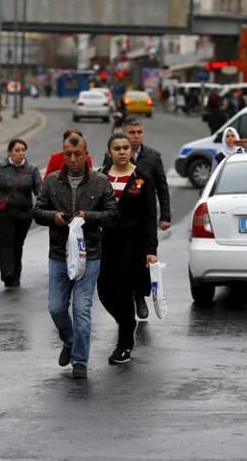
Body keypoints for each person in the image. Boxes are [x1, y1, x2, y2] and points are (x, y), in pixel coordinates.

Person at [33, 134, 118, 379]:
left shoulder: (100, 182)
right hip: (59, 254)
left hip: (89, 255)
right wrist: (54, 217)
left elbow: (112, 215)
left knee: (82, 309)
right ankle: (69, 341)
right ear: (63, 154)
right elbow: (37, 211)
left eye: (78, 154)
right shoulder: (51, 182)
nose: (73, 159)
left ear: (86, 154)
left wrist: (88, 216)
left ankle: (80, 360)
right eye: (68, 154)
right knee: (56, 307)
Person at [98, 132, 159, 365]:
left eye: (126, 148)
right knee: (104, 290)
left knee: (123, 292)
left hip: (132, 245)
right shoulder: (101, 176)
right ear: (109, 152)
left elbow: (149, 216)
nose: (122, 152)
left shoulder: (141, 178)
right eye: (117, 148)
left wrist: (151, 249)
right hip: (106, 243)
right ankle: (127, 322)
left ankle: (124, 345)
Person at [101, 117, 172, 319]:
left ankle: (139, 298)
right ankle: (124, 307)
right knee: (115, 276)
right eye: (132, 133)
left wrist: (165, 215)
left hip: (138, 227)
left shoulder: (152, 158)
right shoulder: (108, 166)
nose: (136, 136)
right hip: (113, 230)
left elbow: (161, 189)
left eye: (139, 132)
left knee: (138, 269)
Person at [0, 138, 43, 288]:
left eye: (23, 150)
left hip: (24, 215)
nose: (21, 153)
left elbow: (40, 192)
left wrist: (47, 206)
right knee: (7, 243)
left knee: (18, 244)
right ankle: (7, 273)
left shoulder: (32, 170)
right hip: (1, 214)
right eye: (17, 150)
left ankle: (15, 275)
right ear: (9, 152)